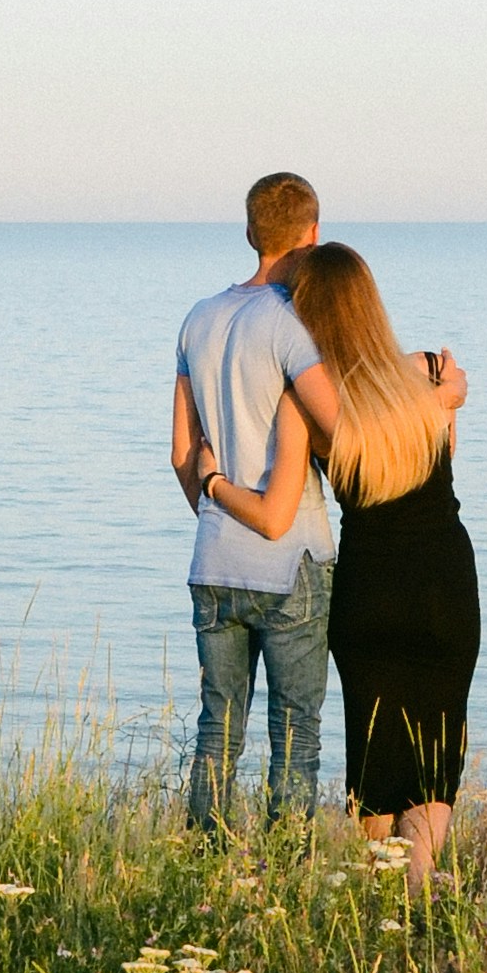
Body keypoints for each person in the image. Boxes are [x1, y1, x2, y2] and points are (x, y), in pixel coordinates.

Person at [214, 239, 475, 888]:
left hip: (367, 588)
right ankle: (419, 887)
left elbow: (277, 510)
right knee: (435, 746)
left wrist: (213, 481)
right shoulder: (431, 374)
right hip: (443, 578)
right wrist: (445, 402)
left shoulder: (307, 401)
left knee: (375, 746)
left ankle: (380, 899)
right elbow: (445, 466)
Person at [171, 172, 342, 831]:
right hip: (290, 559)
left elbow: (182, 454)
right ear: (314, 234)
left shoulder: (199, 318)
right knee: (296, 736)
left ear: (250, 234)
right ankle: (283, 880)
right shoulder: (296, 323)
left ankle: (203, 873)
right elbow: (340, 434)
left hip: (214, 559)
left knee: (217, 731)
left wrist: (220, 510)